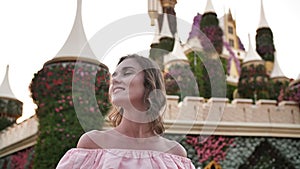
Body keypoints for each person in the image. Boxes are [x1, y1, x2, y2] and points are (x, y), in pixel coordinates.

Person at [56, 54, 195, 169]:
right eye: (114, 76)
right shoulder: (92, 144)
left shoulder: (176, 155)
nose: (115, 80)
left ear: (150, 83)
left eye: (127, 73)